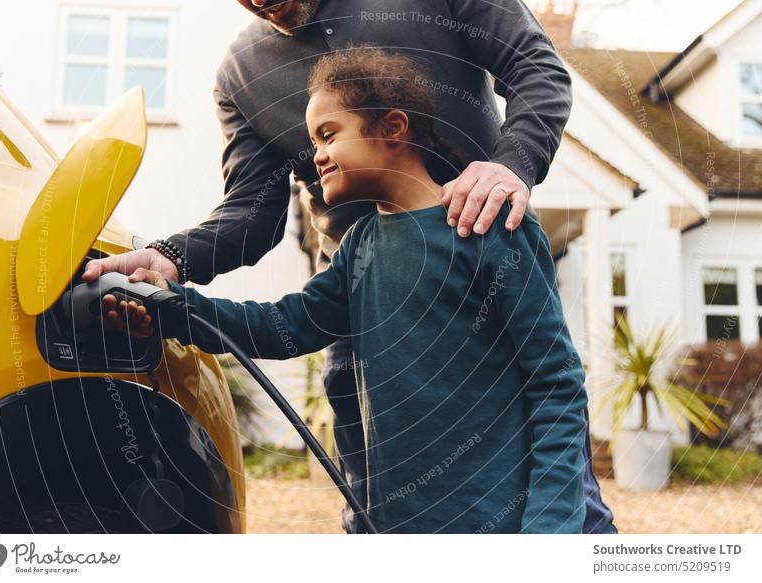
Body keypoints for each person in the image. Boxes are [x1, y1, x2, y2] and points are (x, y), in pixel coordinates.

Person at [84, 0, 616, 534]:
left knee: (544, 486)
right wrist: (171, 279)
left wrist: (511, 165)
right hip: (356, 302)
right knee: (375, 502)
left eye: (328, 136)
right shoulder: (240, 74)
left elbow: (537, 67)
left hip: (479, 257)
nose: (315, 156)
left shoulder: (500, 239)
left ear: (395, 126)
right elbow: (255, 220)